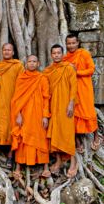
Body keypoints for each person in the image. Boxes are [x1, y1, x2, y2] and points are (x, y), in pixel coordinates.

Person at [11, 55, 50, 178]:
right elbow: (16, 98)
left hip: (38, 114)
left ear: (38, 63)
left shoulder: (42, 78)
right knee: (22, 137)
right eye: (29, 61)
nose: (32, 64)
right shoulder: (21, 78)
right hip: (24, 114)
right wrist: (18, 114)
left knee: (41, 137)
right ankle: (18, 167)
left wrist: (45, 116)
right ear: (26, 63)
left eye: (34, 61)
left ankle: (45, 167)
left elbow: (46, 98)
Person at [44, 44, 78, 178]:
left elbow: (73, 86)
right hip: (53, 106)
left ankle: (73, 162)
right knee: (54, 133)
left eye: (59, 53)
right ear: (51, 55)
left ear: (62, 54)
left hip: (66, 106)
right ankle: (58, 160)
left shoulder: (68, 68)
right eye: (54, 53)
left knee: (68, 132)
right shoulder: (48, 71)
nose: (57, 55)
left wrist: (71, 103)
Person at [63, 34, 99, 152]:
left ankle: (96, 136)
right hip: (72, 91)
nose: (71, 45)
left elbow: (91, 69)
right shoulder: (65, 59)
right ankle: (78, 142)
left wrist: (76, 72)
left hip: (84, 88)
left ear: (78, 43)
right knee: (74, 114)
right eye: (69, 43)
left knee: (89, 111)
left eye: (73, 43)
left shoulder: (84, 53)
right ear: (66, 44)